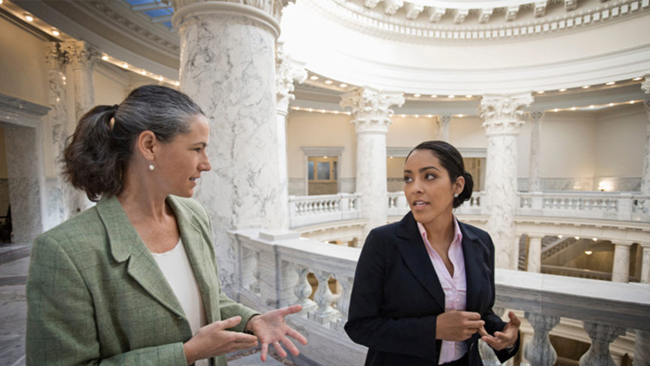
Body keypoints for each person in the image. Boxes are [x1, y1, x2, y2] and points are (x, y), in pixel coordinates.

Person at [25, 85, 307, 366]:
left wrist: (251, 320)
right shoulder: (64, 250)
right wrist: (187, 354)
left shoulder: (194, 215)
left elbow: (206, 302)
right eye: (197, 149)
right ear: (149, 146)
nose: (206, 164)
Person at [345, 140, 520, 366]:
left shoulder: (481, 242)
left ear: (457, 186)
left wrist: (504, 334)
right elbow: (360, 326)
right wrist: (434, 329)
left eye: (429, 176)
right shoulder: (383, 242)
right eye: (408, 178)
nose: (414, 187)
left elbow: (481, 311)